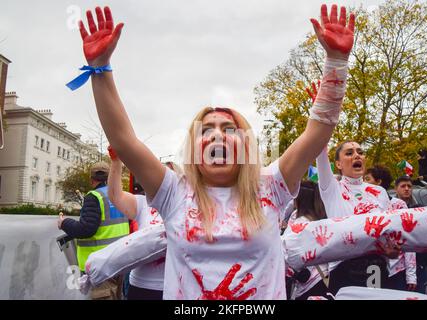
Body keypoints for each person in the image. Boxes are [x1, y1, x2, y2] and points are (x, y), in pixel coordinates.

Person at [72, 4, 355, 299]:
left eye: (229, 129)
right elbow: (123, 139)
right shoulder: (174, 192)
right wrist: (100, 69)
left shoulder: (271, 186)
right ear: (195, 149)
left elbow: (318, 130)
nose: (217, 134)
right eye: (206, 130)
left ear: (246, 146)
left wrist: (336, 62)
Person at [315, 141, 402, 294]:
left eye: (360, 152)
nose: (357, 155)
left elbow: (389, 231)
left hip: (376, 266)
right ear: (338, 164)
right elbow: (319, 148)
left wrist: (393, 252)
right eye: (349, 153)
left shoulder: (379, 192)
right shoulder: (332, 188)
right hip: (345, 267)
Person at [58, 161, 130, 300]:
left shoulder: (94, 196)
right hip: (119, 262)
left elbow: (85, 229)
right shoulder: (121, 196)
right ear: (110, 177)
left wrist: (64, 223)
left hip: (101, 266)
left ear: (92, 180)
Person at [107, 146, 166, 300]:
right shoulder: (142, 204)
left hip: (174, 286)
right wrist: (116, 162)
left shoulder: (185, 206)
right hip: (141, 286)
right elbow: (115, 196)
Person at [365, 165, 417, 291]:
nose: (363, 183)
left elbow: (407, 240)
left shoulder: (398, 205)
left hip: (397, 269)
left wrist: (411, 275)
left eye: (367, 179)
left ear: (378, 182)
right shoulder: (364, 206)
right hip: (373, 268)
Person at [288, 180, 329, 300]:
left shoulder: (300, 224)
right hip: (323, 277)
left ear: (299, 199)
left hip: (308, 282)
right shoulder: (322, 220)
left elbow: (288, 254)